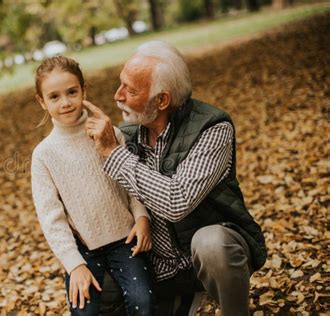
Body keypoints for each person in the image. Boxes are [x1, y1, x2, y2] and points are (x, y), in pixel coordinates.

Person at [83, 41, 267, 316]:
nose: (117, 96)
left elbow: (177, 201)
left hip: (203, 258)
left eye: (130, 90)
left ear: (162, 100)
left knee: (212, 245)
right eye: (120, 84)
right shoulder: (126, 135)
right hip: (155, 267)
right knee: (97, 288)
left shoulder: (213, 128)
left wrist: (114, 154)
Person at [30, 56, 155, 315]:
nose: (65, 102)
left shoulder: (109, 133)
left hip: (125, 238)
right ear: (42, 101)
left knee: (143, 302)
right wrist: (74, 264)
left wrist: (142, 217)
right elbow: (51, 217)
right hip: (83, 248)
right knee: (83, 310)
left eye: (72, 92)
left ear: (84, 90)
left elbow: (131, 179)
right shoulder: (44, 154)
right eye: (54, 97)